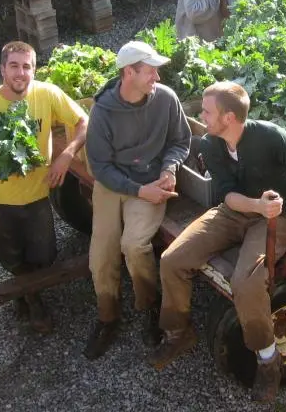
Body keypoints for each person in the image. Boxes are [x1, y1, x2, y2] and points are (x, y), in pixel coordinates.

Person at [147, 82, 286, 402]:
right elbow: (227, 196)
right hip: (236, 212)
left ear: (230, 117)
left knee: (247, 284)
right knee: (173, 259)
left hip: (276, 220)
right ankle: (178, 332)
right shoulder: (211, 143)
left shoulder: (271, 137)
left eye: (207, 111)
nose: (201, 116)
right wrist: (256, 205)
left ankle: (268, 359)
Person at [0, 41, 87, 333]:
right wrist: (0, 169)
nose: (21, 72)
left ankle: (27, 291)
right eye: (14, 65)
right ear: (2, 69)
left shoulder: (47, 94)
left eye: (26, 66)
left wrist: (66, 156)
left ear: (34, 69)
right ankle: (31, 298)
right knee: (11, 256)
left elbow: (82, 122)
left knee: (45, 255)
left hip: (38, 196)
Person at [83, 41, 191, 360]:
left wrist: (170, 168)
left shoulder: (166, 99)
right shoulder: (102, 112)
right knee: (100, 256)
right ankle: (108, 317)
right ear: (129, 72)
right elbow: (100, 167)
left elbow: (180, 141)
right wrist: (137, 190)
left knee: (134, 245)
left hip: (152, 181)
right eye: (150, 70)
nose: (156, 76)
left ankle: (148, 305)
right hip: (113, 183)